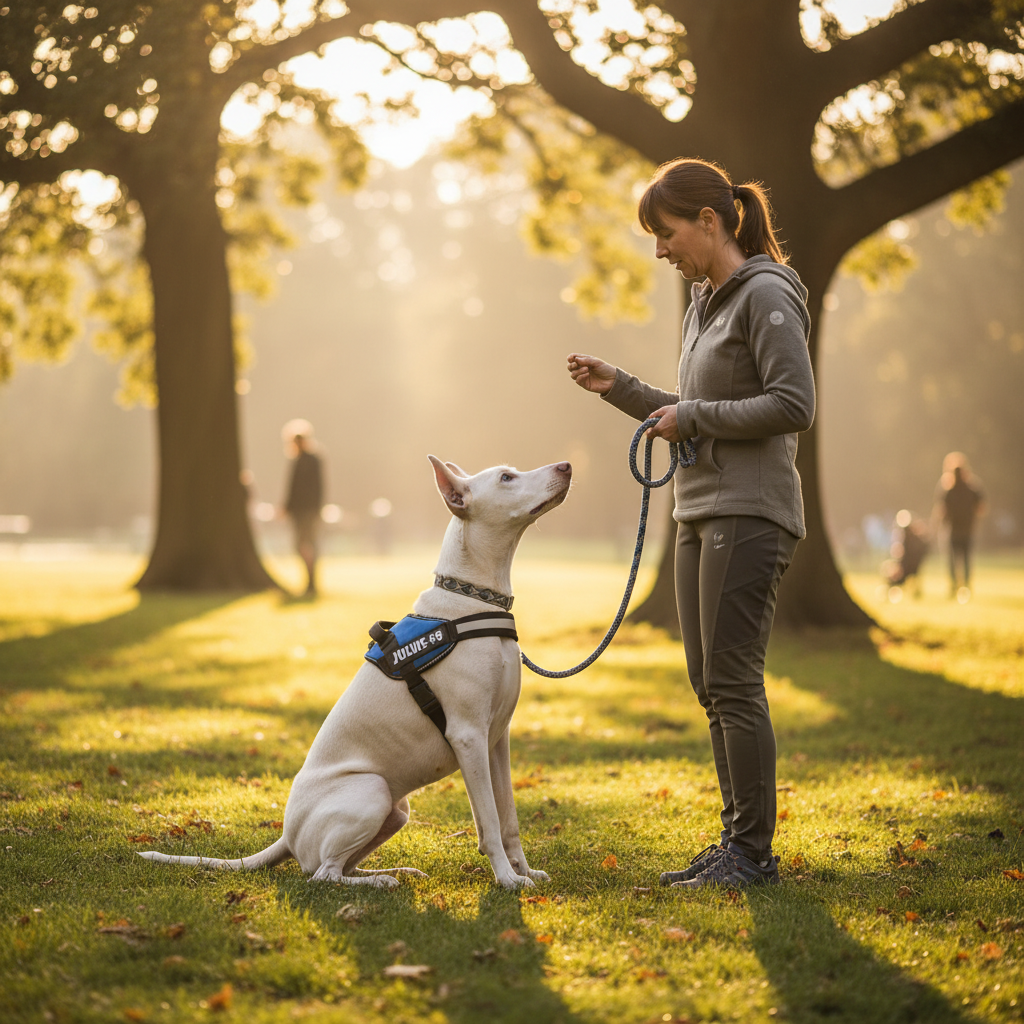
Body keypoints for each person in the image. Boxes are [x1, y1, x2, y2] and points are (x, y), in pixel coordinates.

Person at [567, 158, 815, 888]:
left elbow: (793, 403)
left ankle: (752, 855)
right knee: (710, 683)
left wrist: (694, 416)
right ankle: (737, 840)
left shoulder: (766, 292)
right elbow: (691, 409)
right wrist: (621, 388)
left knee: (733, 680)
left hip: (749, 509)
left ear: (709, 221)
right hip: (698, 509)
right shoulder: (703, 303)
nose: (659, 250)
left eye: (666, 233)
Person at [934, 452, 985, 601]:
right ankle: (964, 586)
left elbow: (941, 510)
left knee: (955, 560)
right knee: (964, 560)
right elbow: (981, 507)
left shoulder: (950, 488)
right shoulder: (970, 487)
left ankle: (957, 586)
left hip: (957, 529)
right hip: (963, 529)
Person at [282, 419, 324, 597]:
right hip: (301, 511)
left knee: (306, 545)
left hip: (307, 511)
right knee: (303, 546)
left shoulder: (311, 460)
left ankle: (311, 582)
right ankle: (310, 582)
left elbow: (314, 488)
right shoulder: (299, 460)